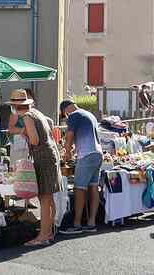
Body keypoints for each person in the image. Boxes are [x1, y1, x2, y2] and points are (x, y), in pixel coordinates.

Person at [8, 89, 62, 246]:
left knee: (44, 198)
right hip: (50, 155)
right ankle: (49, 232)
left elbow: (35, 140)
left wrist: (25, 133)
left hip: (43, 157)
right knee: (49, 198)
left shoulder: (27, 117)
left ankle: (43, 235)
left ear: (14, 106)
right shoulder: (36, 113)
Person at [59, 99, 103, 235]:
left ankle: (77, 224)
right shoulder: (89, 114)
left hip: (86, 155)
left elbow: (69, 136)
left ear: (65, 110)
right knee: (93, 188)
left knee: (79, 189)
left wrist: (66, 152)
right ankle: (91, 222)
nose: (66, 118)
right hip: (98, 154)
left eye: (64, 115)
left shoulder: (73, 115)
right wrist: (72, 150)